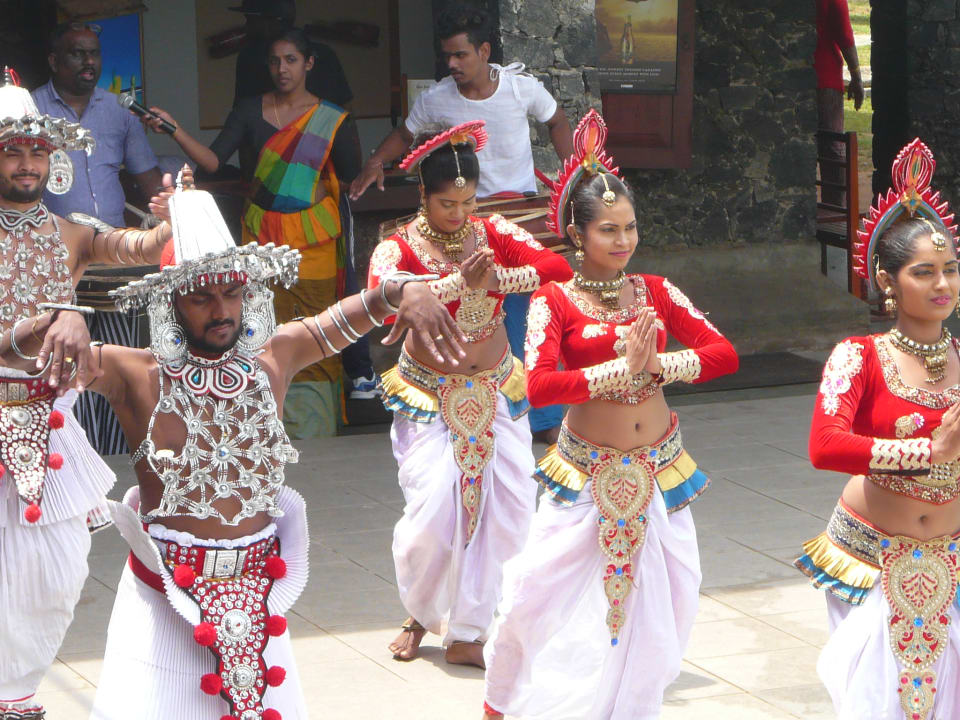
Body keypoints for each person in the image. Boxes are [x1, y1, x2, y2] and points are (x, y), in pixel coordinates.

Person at [26, 167, 463, 720]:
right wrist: (58, 319)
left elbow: (360, 310)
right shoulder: (132, 372)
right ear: (169, 302)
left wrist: (407, 288)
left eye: (232, 293)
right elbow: (20, 361)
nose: (221, 311)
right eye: (202, 298)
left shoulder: (276, 356)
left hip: (259, 592)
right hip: (162, 592)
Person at [481, 110, 739, 720]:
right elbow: (540, 384)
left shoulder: (656, 290)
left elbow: (723, 354)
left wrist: (659, 367)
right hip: (585, 473)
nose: (623, 241)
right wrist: (616, 371)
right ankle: (501, 703)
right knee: (531, 599)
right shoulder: (553, 301)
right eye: (608, 231)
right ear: (577, 234)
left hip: (659, 470)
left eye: (630, 228)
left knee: (668, 606)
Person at [0, 68, 174, 720]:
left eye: (37, 150)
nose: (27, 163)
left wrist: (167, 222)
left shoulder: (68, 232)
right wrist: (49, 321)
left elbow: (132, 246)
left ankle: (14, 695)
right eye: (12, 151)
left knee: (57, 573)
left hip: (50, 427)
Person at [366, 120, 572, 669]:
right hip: (429, 394)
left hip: (496, 388)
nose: (459, 214)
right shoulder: (397, 247)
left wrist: (497, 280)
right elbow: (381, 298)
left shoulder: (493, 231)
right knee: (434, 515)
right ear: (422, 195)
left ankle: (469, 633)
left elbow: (555, 268)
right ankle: (419, 614)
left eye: (468, 202)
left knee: (507, 513)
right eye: (447, 203)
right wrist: (460, 283)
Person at [352, 2, 574, 443]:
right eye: (447, 56)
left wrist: (574, 175)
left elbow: (557, 120)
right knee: (477, 319)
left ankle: (543, 420)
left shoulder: (520, 88)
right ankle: (485, 413)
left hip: (517, 222)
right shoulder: (436, 98)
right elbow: (405, 134)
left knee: (529, 317)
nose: (452, 63)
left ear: (484, 51)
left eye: (460, 54)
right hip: (465, 226)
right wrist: (375, 162)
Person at [794, 138, 960, 719]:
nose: (942, 285)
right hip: (873, 558)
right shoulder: (859, 355)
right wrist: (927, 451)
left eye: (950, 269)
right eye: (924, 273)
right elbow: (825, 446)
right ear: (888, 281)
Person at [143, 29, 363, 438]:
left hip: (315, 240)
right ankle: (265, 432)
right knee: (260, 331)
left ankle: (318, 432)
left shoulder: (331, 119)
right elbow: (213, 161)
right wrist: (174, 129)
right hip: (261, 236)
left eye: (291, 60)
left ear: (309, 63)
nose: (282, 68)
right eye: (275, 61)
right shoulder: (249, 110)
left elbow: (350, 178)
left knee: (317, 331)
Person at [33, 21, 164, 456]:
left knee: (117, 356)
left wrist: (173, 210)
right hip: (55, 259)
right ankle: (75, 453)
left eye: (94, 54)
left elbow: (147, 177)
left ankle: (120, 450)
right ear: (54, 60)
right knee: (66, 363)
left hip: (112, 256)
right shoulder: (31, 109)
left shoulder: (118, 111)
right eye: (77, 53)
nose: (88, 62)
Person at [815, 0, 864, 207]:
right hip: (825, 76)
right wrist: (856, 76)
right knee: (832, 147)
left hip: (799, 77)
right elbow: (844, 33)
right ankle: (834, 210)